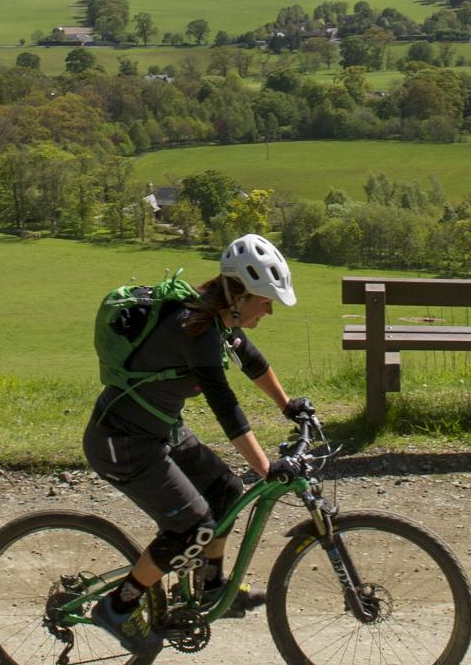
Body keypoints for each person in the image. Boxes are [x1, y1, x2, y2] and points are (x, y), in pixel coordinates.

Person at [85, 233, 312, 643]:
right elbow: (225, 405)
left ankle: (210, 584)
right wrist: (265, 468)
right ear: (240, 296)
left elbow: (251, 360)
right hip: (122, 442)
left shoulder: (216, 317)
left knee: (225, 488)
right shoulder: (196, 330)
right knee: (192, 528)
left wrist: (287, 405)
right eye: (266, 301)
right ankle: (118, 606)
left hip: (160, 431)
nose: (270, 311)